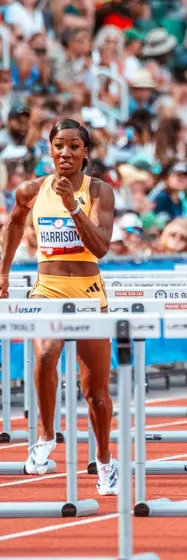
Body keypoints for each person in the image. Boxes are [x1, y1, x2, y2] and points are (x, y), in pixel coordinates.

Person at [0, 119, 117, 493]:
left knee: (95, 391)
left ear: (85, 152)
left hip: (88, 292)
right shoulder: (31, 191)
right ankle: (46, 436)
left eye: (74, 146)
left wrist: (72, 207)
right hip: (47, 290)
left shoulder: (98, 191)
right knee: (47, 353)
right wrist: (3, 274)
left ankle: (104, 461)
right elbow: (13, 225)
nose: (65, 152)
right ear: (50, 150)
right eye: (59, 145)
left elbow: (101, 247)